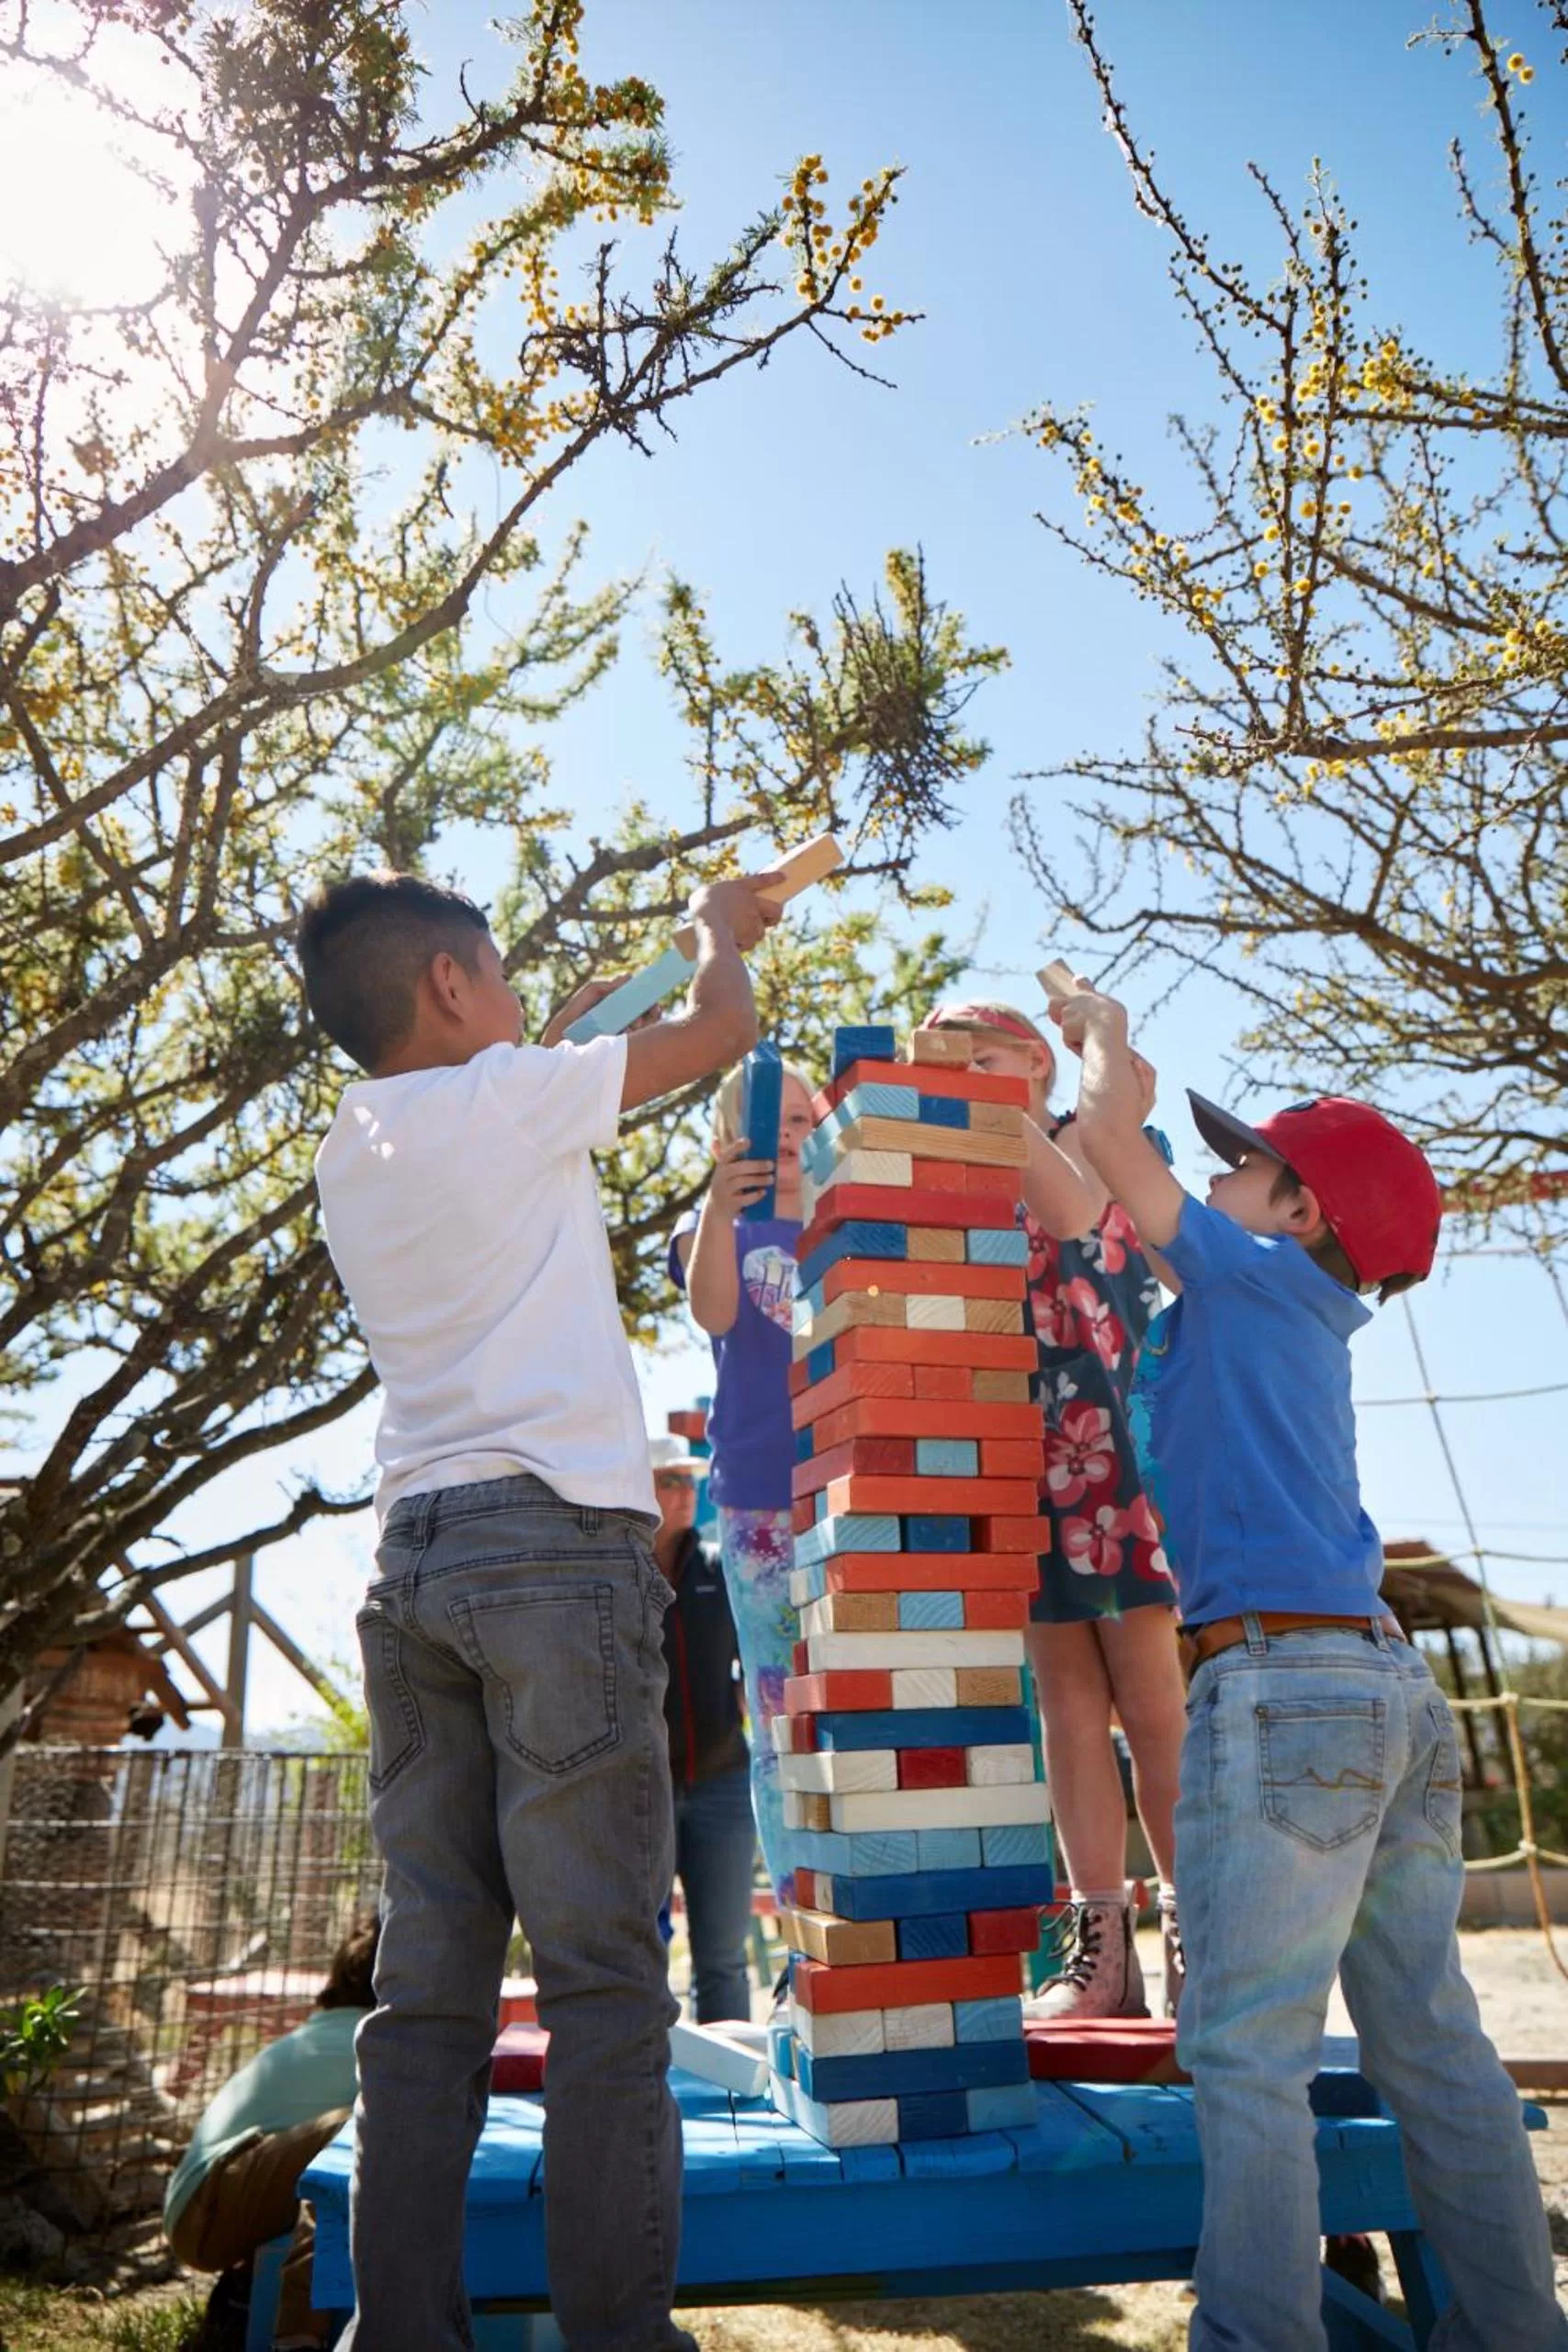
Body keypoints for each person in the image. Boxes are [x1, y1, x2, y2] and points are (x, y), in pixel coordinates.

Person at [299, 865, 778, 2352]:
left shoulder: (353, 1142)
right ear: (448, 988)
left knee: (428, 2000)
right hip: (552, 1555)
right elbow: (718, 1029)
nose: (516, 1003)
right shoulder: (512, 1099)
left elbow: (516, 1069)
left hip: (415, 1560)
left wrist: (538, 1039)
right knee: (599, 1990)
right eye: (495, 978)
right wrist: (718, 938)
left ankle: (404, 2336)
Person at [1052, 969, 1566, 2352]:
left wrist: (1102, 1044)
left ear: (1301, 1218)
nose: (1216, 1183)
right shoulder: (1289, 1312)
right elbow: (1097, 1188)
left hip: (1277, 1690)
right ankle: (1517, 2334)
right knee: (1434, 2049)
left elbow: (1105, 1146)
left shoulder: (1251, 1279)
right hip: (1382, 1691)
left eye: (1246, 1168)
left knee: (1244, 2055)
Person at [923, 1001, 1188, 2018]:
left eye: (979, 1058)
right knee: (1068, 1708)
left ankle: (1194, 1940)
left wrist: (1074, 1052)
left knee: (1151, 1703)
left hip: (1115, 1441)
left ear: (1035, 1062)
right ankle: (1100, 1953)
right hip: (1026, 1457)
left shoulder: (1092, 1140)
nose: (962, 1079)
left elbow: (1095, 1171)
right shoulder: (968, 1193)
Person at [668, 1058, 816, 1902]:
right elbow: (715, 1312)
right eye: (773, 1123)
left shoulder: (851, 1217)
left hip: (855, 1484)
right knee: (776, 1708)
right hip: (761, 1493)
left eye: (805, 1120)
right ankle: (800, 1908)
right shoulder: (713, 1225)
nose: (791, 1137)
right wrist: (723, 1206)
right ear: (731, 1138)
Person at [164, 1917, 379, 2352]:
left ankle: (247, 2298)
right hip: (211, 2207)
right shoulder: (369, 2041)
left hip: (207, 2204)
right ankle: (297, 2335)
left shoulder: (326, 2031)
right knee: (374, 2125)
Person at [649, 1432, 757, 2024]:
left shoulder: (721, 1568)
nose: (685, 1492)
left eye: (689, 1480)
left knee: (722, 1958)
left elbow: (756, 1654)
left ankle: (730, 2095)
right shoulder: (618, 1573)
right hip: (642, 1789)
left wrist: (739, 1698)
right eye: (669, 1480)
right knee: (642, 1952)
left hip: (722, 1785)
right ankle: (648, 2076)